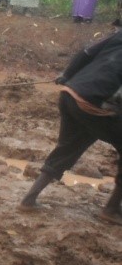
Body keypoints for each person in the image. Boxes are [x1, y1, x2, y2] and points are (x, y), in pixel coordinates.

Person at [19, 26, 122, 225]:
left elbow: (85, 53)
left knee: (69, 147)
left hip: (70, 94)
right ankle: (111, 209)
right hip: (95, 104)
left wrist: (67, 75)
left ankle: (29, 199)